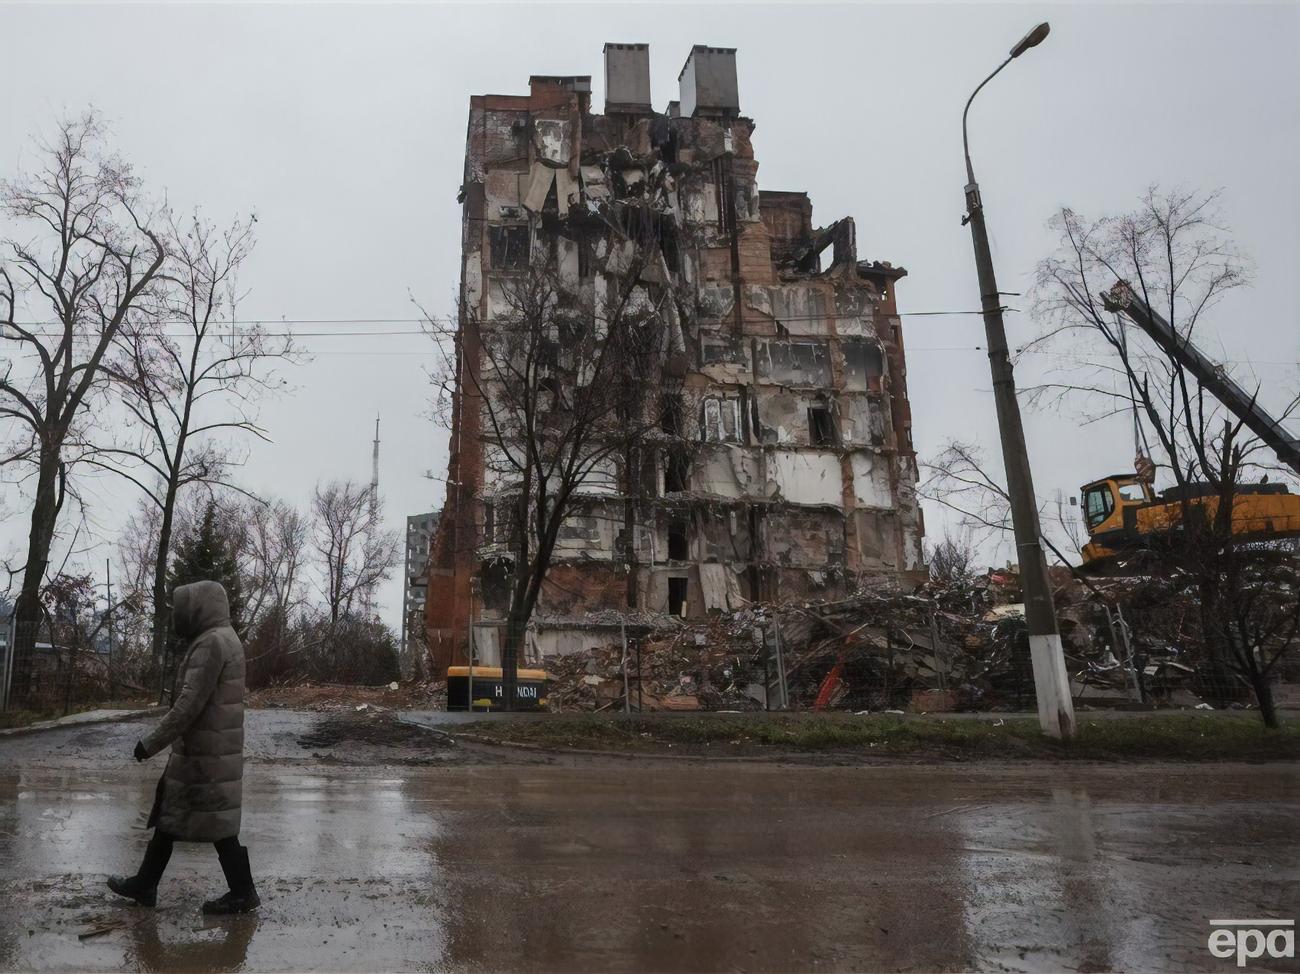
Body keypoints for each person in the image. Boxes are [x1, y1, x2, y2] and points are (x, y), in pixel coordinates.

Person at [107, 579, 259, 914]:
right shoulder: (223, 637)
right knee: (171, 820)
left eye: (184, 608)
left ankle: (243, 893)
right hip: (208, 751)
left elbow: (189, 704)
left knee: (217, 827)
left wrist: (150, 743)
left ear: (200, 607)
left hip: (206, 754)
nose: (180, 615)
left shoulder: (211, 643)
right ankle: (145, 885)